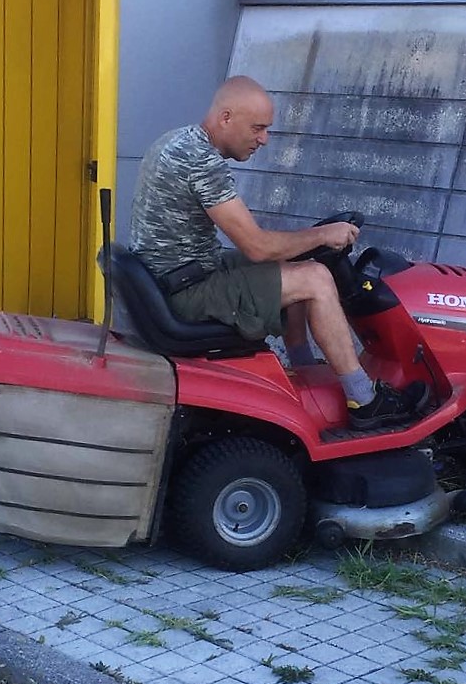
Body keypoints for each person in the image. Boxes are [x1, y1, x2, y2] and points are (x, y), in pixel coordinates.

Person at [129, 75, 425, 430]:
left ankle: (302, 371)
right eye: (257, 128)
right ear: (226, 117)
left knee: (292, 263)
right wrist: (323, 234)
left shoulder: (177, 141)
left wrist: (309, 242)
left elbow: (266, 251)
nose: (264, 139)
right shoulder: (201, 162)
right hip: (186, 292)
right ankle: (365, 400)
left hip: (177, 275)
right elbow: (256, 247)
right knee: (315, 278)